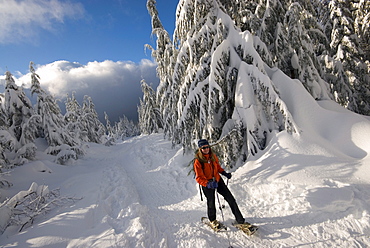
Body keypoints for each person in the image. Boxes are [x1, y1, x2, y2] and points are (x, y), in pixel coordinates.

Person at [194, 139, 248, 230]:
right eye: (203, 148)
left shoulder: (213, 156)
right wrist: (208, 184)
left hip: (217, 180)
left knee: (231, 199)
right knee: (211, 203)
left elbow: (217, 167)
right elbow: (199, 178)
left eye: (207, 147)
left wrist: (224, 173)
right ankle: (213, 220)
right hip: (207, 184)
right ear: (200, 149)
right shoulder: (198, 161)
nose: (206, 149)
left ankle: (240, 221)